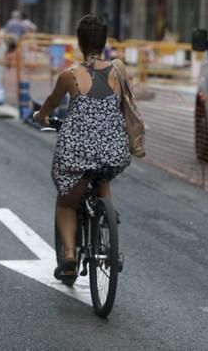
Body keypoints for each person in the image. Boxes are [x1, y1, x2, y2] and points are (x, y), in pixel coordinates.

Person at [33, 14, 131, 276]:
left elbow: (51, 104)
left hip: (78, 151)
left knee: (66, 203)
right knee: (103, 174)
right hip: (114, 148)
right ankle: (108, 224)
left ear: (79, 42)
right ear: (105, 41)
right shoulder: (119, 73)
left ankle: (67, 258)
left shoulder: (70, 75)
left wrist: (40, 116)